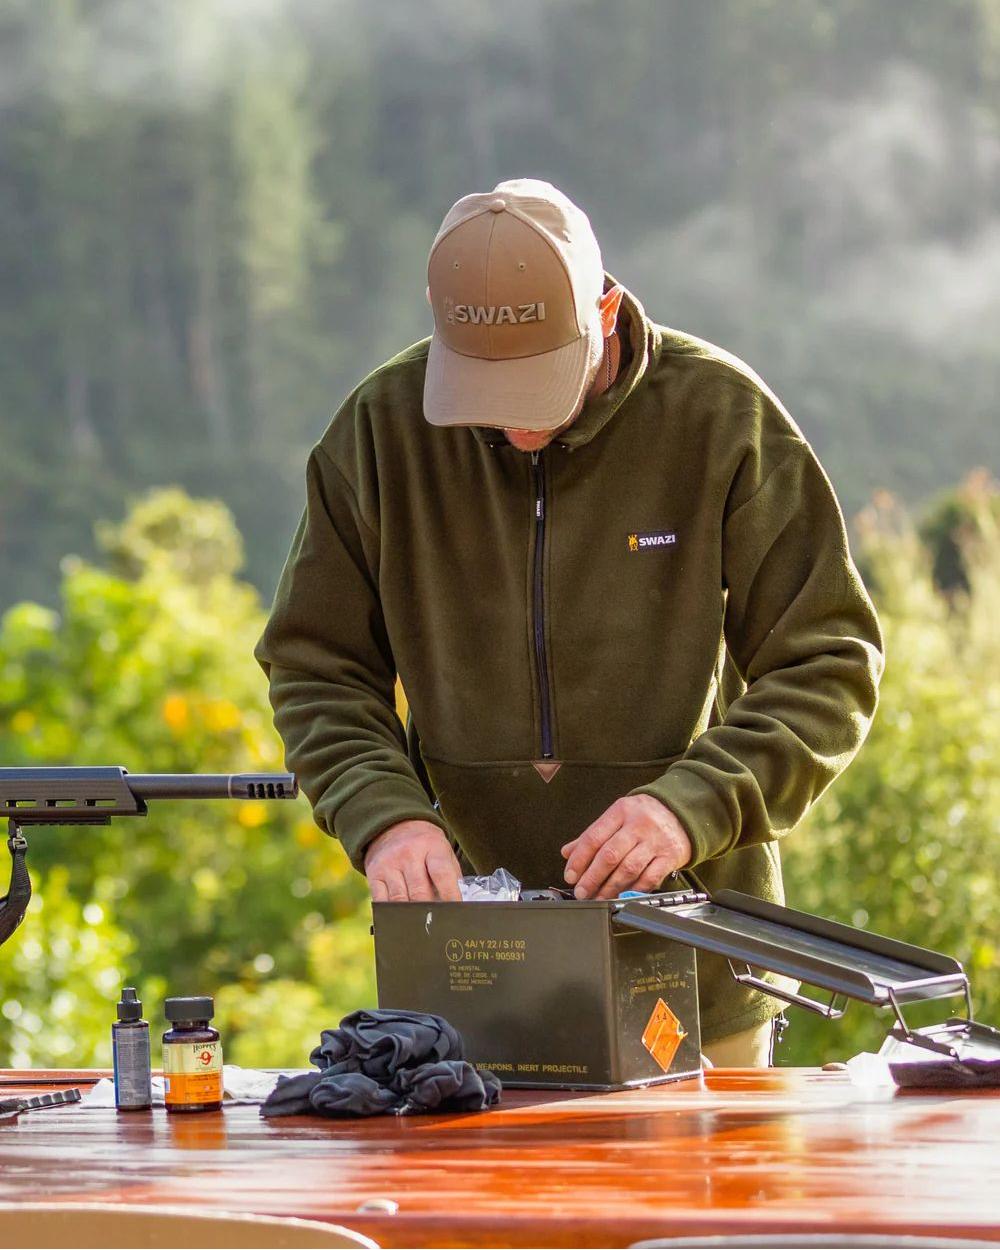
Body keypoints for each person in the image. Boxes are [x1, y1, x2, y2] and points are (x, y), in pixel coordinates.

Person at [254, 179, 884, 1067]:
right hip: (468, 974)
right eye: (486, 390)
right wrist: (386, 815)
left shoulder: (721, 418)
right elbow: (317, 666)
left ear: (607, 310)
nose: (516, 426)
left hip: (701, 963)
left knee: (704, 1206)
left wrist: (688, 808)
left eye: (541, 383)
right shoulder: (380, 431)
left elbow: (829, 662)